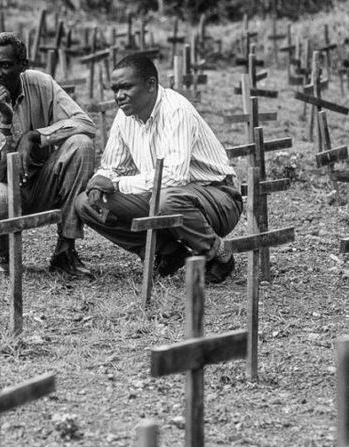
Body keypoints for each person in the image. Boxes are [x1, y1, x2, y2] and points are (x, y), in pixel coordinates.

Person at [75, 54, 243, 283]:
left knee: (167, 199)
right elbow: (112, 166)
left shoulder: (176, 111)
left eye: (126, 87)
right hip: (163, 196)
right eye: (115, 89)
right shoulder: (126, 117)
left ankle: (217, 255)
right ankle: (167, 252)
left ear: (151, 85)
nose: (119, 96)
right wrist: (100, 180)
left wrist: (115, 184)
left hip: (217, 198)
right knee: (87, 203)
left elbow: (174, 177)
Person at [0, 32, 96, 277]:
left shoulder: (41, 84)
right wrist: (5, 122)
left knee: (81, 144)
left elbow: (85, 124)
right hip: (0, 185)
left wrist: (36, 136)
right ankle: (5, 254)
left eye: (5, 65)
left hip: (41, 181)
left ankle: (65, 252)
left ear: (24, 65)